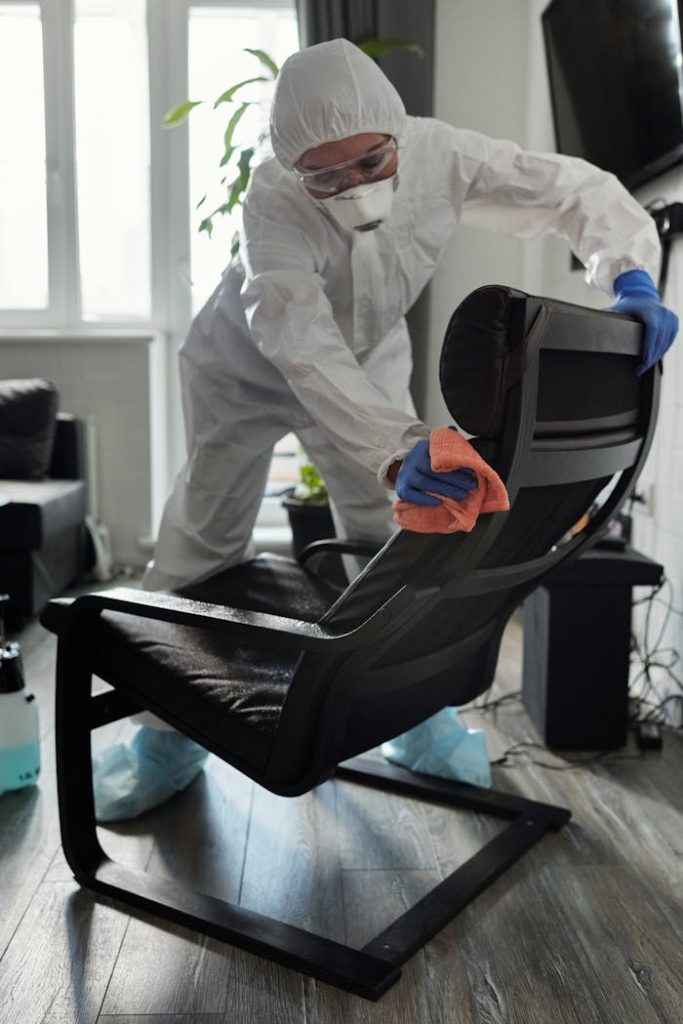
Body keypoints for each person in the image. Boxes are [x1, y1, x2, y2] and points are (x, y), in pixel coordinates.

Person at [92, 38, 678, 821]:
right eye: (325, 174)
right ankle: (166, 741)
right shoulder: (270, 199)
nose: (352, 187)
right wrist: (395, 442)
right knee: (204, 537)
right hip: (244, 372)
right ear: (291, 164)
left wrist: (629, 273)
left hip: (368, 358)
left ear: (396, 132)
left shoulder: (440, 153)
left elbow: (572, 190)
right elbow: (296, 337)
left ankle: (411, 718)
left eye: (370, 162)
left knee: (384, 538)